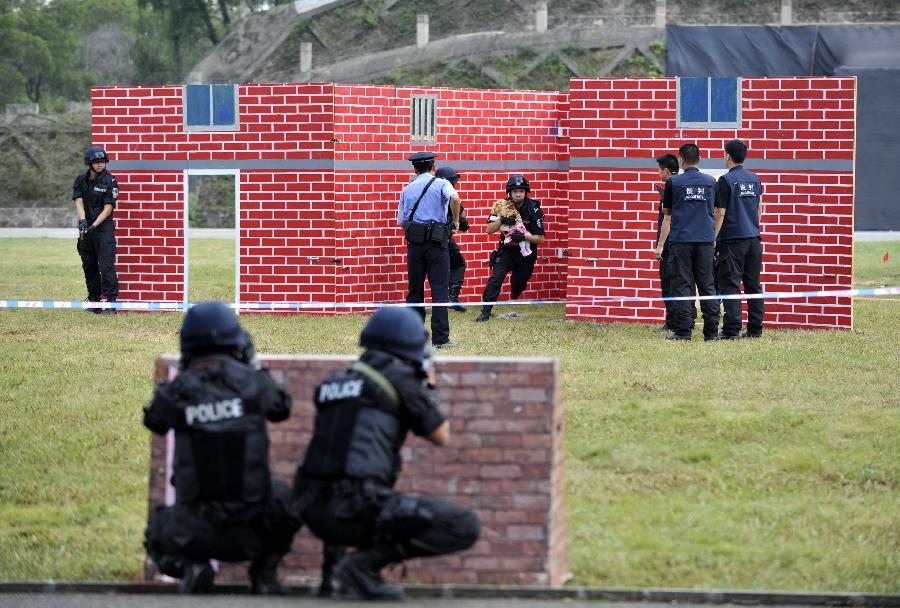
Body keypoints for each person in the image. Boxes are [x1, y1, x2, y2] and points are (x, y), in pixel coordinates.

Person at [292, 307, 481, 601]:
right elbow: (440, 435)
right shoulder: (401, 379)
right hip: (358, 507)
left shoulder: (337, 381)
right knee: (462, 525)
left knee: (340, 472)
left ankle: (333, 577)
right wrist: (426, 387)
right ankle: (361, 567)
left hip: (309, 507)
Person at [143, 301, 301, 594]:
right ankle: (263, 574)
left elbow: (155, 420)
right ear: (235, 342)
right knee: (284, 496)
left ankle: (192, 567)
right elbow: (282, 408)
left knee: (157, 529)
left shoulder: (180, 390)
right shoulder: (254, 383)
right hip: (254, 529)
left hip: (192, 533)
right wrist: (252, 366)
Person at [654, 144, 723, 341]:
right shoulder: (711, 182)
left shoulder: (674, 184)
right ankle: (711, 333)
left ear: (681, 160)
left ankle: (683, 332)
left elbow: (667, 217)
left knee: (682, 286)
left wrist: (660, 245)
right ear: (699, 159)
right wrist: (713, 236)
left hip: (680, 241)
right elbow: (719, 212)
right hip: (704, 241)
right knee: (708, 286)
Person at [398, 152, 461, 348]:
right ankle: (441, 339)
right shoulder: (442, 183)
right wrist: (456, 220)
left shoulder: (407, 189)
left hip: (415, 246)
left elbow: (401, 222)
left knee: (415, 291)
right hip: (437, 243)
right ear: (434, 167)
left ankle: (412, 337)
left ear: (414, 169)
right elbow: (455, 199)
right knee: (439, 290)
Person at [475, 175, 546, 323]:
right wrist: (502, 220)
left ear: (526, 192)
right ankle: (486, 311)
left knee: (519, 283)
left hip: (526, 252)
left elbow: (540, 239)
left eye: (521, 191)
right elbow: (489, 229)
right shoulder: (502, 205)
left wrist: (524, 237)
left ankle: (516, 290)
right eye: (515, 191)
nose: (518, 194)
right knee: (495, 280)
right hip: (507, 250)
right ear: (510, 192)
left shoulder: (533, 208)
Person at [715, 139, 764, 339]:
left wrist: (713, 237)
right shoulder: (755, 179)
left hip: (733, 239)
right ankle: (755, 330)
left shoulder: (725, 181)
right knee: (753, 285)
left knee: (731, 284)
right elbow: (759, 209)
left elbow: (720, 213)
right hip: (754, 238)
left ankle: (731, 330)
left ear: (727, 156)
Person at [73, 146, 120, 314]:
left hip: (103, 230)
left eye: (103, 162)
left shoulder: (110, 181)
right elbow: (78, 201)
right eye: (97, 162)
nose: (101, 165)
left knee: (106, 267)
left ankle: (110, 303)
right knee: (89, 266)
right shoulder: (80, 180)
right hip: (86, 230)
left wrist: (94, 226)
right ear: (90, 163)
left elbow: (108, 208)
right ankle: (94, 302)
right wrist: (84, 222)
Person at [435, 166, 470, 312]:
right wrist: (460, 223)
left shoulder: (431, 194)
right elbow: (462, 217)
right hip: (443, 239)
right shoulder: (450, 196)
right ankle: (452, 298)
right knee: (458, 264)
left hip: (424, 239)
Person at [653, 153, 681, 331]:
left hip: (670, 245)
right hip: (683, 243)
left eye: (659, 170)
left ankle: (672, 322)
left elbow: (668, 220)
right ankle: (681, 320)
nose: (658, 173)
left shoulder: (671, 188)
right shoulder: (684, 186)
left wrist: (660, 245)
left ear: (667, 171)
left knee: (669, 283)